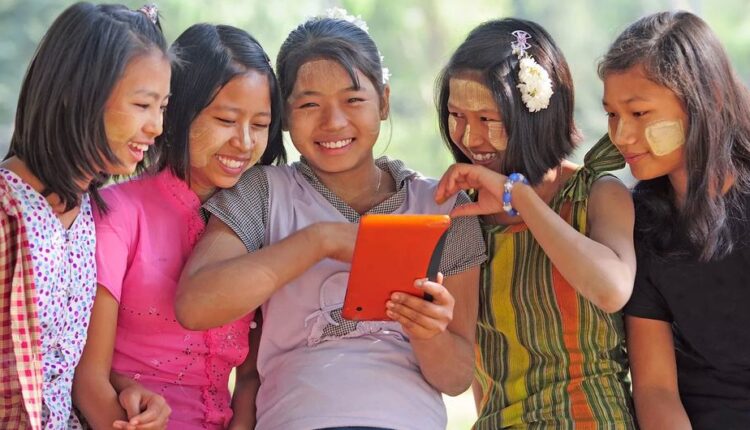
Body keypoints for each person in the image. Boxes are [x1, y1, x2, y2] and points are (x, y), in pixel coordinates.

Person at [176, 9, 486, 430]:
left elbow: (456, 378)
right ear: (285, 115)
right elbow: (195, 305)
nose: (333, 122)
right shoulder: (262, 193)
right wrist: (320, 240)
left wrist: (427, 331)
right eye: (309, 104)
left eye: (353, 100)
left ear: (384, 101)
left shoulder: (445, 208)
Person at [71, 23, 285, 430]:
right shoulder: (116, 214)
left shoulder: (262, 220)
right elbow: (88, 381)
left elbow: (251, 379)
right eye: (226, 119)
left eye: (259, 125)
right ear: (178, 111)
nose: (244, 142)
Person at [433, 18, 636, 429]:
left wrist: (518, 196)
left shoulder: (597, 193)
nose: (469, 138)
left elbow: (611, 289)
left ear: (535, 116)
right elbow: (472, 378)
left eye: (487, 119)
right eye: (456, 116)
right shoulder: (464, 218)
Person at [0, 3, 171, 429]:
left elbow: (62, 363)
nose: (156, 126)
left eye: (163, 107)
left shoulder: (92, 214)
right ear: (78, 95)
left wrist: (124, 390)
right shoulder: (7, 210)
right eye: (143, 104)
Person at [600, 11, 750, 430]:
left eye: (639, 113)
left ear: (709, 99)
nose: (621, 136)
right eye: (611, 114)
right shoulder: (639, 222)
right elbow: (655, 390)